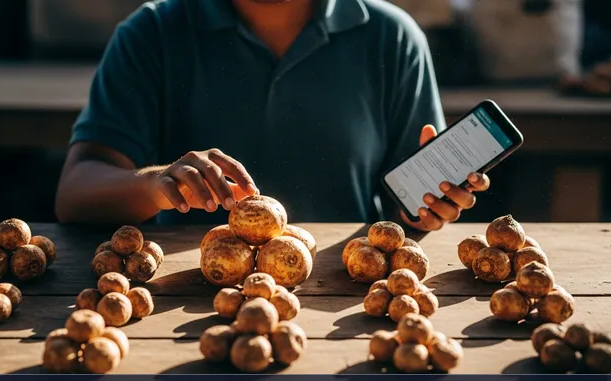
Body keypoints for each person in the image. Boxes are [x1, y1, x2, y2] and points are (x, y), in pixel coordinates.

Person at [55, 0, 490, 232]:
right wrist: (157, 185)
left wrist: (425, 210)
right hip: (182, 297)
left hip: (347, 301)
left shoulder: (391, 37)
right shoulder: (151, 34)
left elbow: (404, 210)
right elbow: (76, 192)